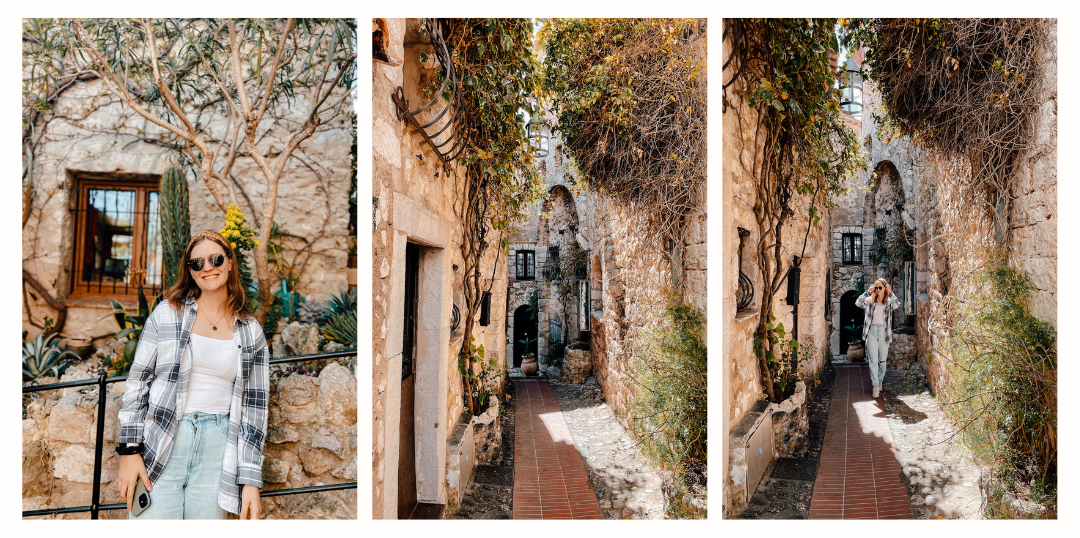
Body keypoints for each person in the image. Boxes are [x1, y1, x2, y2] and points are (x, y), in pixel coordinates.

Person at [116, 230, 269, 519]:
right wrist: (128, 452)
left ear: (230, 262)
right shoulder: (167, 314)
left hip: (219, 448)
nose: (207, 267)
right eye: (197, 263)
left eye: (215, 258)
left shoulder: (251, 332)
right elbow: (138, 382)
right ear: (189, 271)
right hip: (163, 440)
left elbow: (254, 408)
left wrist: (250, 479)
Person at [855, 278, 900, 398]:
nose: (878, 290)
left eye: (880, 287)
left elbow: (897, 305)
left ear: (884, 288)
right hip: (872, 332)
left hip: (884, 332)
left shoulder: (889, 301)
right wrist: (867, 292)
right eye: (876, 288)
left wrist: (891, 292)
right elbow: (858, 303)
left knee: (882, 360)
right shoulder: (870, 301)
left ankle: (880, 380)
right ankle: (875, 386)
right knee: (873, 360)